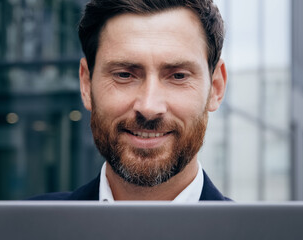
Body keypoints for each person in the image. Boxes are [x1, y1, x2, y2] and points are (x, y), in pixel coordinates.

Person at [30, 0, 229, 202]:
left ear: (216, 88)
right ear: (86, 85)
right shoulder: (24, 230)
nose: (149, 107)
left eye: (178, 76)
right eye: (124, 75)